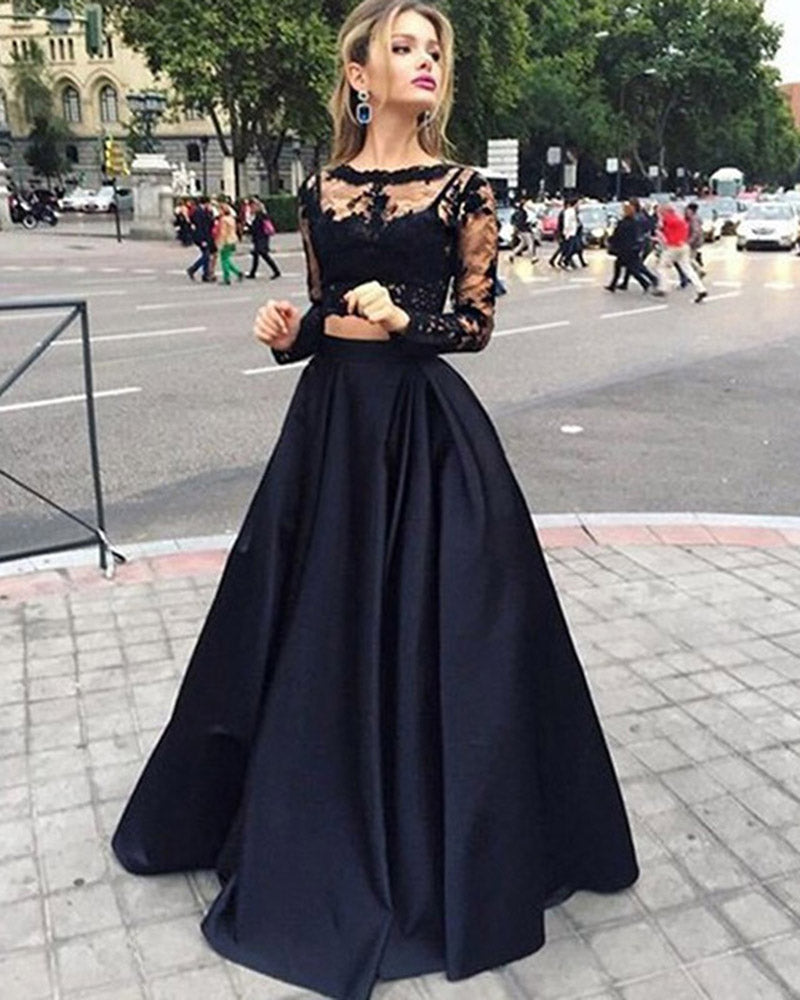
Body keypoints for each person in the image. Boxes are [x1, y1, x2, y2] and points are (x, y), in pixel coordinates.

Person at [111, 3, 639, 999]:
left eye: (433, 48)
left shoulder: (462, 190)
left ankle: (444, 836)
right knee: (304, 625)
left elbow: (474, 324)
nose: (425, 60)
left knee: (445, 632)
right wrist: (285, 330)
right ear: (359, 72)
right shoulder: (322, 188)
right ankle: (295, 813)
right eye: (403, 46)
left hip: (422, 434)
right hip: (327, 437)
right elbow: (320, 314)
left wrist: (407, 316)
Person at [652, 203, 707, 302]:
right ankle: (701, 289)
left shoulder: (667, 219)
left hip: (673, 246)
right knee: (688, 269)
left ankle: (663, 288)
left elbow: (660, 229)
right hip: (683, 245)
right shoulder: (680, 219)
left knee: (661, 266)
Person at [605, 201, 653, 292]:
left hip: (625, 249)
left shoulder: (623, 223)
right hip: (633, 247)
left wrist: (610, 240)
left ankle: (649, 281)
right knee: (630, 266)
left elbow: (617, 235)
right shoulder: (635, 221)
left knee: (632, 267)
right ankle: (645, 282)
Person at [247, 197, 282, 279]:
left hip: (262, 237)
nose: (251, 208)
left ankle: (276, 271)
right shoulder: (258, 214)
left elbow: (257, 227)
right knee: (256, 254)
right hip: (259, 237)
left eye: (252, 206)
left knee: (263, 254)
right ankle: (253, 273)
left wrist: (250, 226)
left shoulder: (261, 215)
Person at [186, 196, 214, 281]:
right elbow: (200, 226)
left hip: (205, 236)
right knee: (206, 255)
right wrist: (202, 239)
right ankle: (193, 269)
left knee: (206, 255)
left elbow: (209, 223)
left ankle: (205, 274)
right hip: (201, 237)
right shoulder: (198, 212)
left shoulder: (204, 211)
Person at [216, 201, 244, 284]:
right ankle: (237, 273)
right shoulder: (231, 219)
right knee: (227, 258)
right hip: (233, 239)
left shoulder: (223, 220)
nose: (218, 212)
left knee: (224, 260)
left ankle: (227, 277)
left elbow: (223, 232)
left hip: (226, 241)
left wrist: (219, 242)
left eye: (219, 210)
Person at [508, 197, 537, 262]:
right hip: (525, 229)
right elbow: (521, 222)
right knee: (530, 243)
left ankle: (512, 254)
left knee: (523, 244)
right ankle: (533, 257)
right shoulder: (523, 213)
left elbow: (514, 221)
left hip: (521, 230)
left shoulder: (518, 212)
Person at [685, 202, 706, 277]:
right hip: (696, 241)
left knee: (689, 259)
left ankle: (699, 270)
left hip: (694, 242)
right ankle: (696, 272)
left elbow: (695, 231)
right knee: (690, 258)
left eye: (687, 210)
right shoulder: (695, 218)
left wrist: (690, 241)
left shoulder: (694, 219)